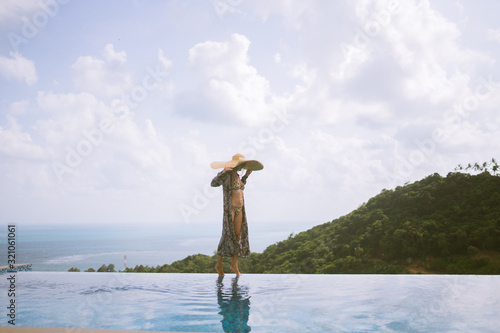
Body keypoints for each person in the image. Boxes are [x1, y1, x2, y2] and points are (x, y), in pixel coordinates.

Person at [211, 154, 263, 276]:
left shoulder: (238, 176)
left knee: (237, 236)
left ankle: (234, 265)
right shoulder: (227, 175)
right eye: (242, 165)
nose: (243, 167)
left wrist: (246, 176)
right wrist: (222, 172)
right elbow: (213, 183)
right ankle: (218, 265)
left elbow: (239, 187)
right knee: (226, 235)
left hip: (240, 209)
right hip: (230, 209)